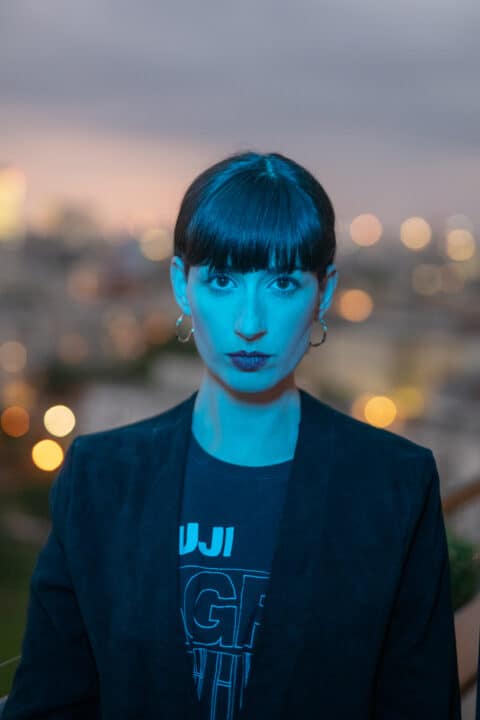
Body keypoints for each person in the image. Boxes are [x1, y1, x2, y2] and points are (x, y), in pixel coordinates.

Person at [2, 151, 461, 719]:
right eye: (221, 280)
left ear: (324, 291)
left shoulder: (394, 485)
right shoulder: (100, 477)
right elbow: (48, 702)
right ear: (181, 285)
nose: (249, 322)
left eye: (283, 282)